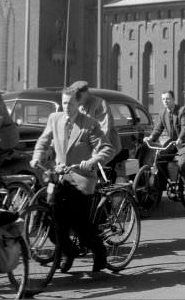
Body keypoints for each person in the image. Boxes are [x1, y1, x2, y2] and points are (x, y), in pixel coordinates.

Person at [30, 85, 115, 277]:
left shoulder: (89, 124)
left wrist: (91, 162)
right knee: (51, 220)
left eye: (70, 103)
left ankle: (99, 252)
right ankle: (69, 251)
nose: (66, 107)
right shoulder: (55, 119)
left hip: (81, 178)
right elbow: (43, 141)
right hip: (59, 177)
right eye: (64, 103)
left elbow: (107, 149)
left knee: (80, 227)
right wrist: (38, 156)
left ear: (78, 103)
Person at [145, 90, 185, 196]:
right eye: (163, 99)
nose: (165, 101)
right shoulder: (163, 113)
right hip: (174, 142)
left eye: (168, 99)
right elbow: (158, 129)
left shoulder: (183, 111)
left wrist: (181, 138)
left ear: (173, 99)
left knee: (182, 164)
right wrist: (150, 138)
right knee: (159, 158)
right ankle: (163, 186)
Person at [70, 80, 123, 177]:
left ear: (85, 93)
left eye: (78, 96)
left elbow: (103, 130)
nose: (76, 99)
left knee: (102, 182)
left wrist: (93, 157)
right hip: (85, 151)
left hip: (105, 149)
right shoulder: (77, 105)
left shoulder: (100, 104)